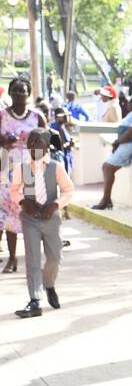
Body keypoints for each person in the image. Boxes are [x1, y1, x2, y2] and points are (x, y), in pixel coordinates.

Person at [10, 127, 73, 317]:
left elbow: (68, 190)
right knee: (33, 260)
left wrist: (55, 205)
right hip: (30, 219)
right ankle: (35, 300)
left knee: (54, 257)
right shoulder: (23, 167)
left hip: (51, 219)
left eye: (38, 141)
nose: (33, 144)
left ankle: (49, 285)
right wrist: (23, 201)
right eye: (30, 141)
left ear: (47, 145)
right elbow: (15, 190)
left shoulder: (55, 167)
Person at [0, 78, 47, 274]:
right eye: (16, 91)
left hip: (28, 170)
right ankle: (8, 257)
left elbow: (47, 141)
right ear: (10, 93)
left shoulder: (37, 116)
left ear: (28, 94)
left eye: (23, 91)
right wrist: (3, 140)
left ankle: (21, 259)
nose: (19, 94)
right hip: (4, 167)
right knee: (4, 213)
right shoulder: (2, 115)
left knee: (22, 213)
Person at [91, 93, 132, 210]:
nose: (128, 103)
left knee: (108, 167)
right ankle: (107, 199)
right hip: (125, 144)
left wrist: (117, 142)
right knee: (108, 168)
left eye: (131, 101)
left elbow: (131, 133)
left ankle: (106, 200)